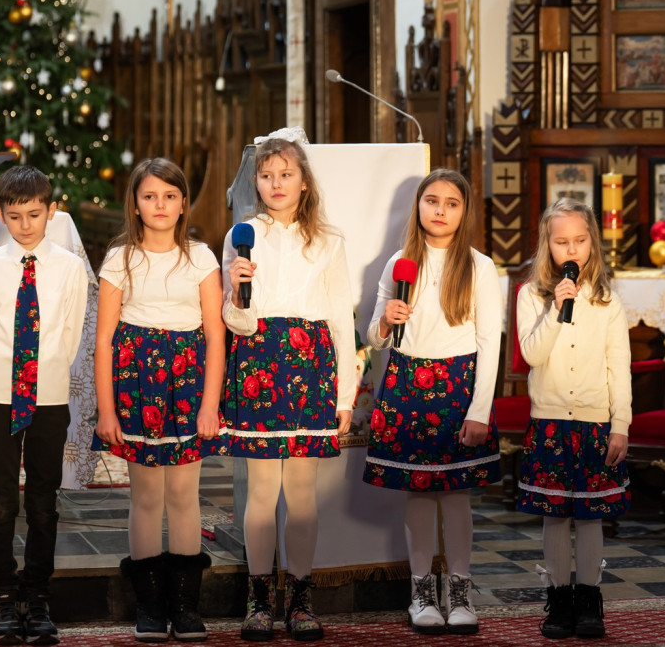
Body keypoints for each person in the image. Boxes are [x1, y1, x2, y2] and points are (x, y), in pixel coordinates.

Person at [223, 133, 356, 642]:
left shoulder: (328, 241)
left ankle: (300, 598)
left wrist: (345, 394)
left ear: (303, 182)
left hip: (309, 366)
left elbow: (342, 319)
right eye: (266, 175)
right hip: (257, 364)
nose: (275, 183)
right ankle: (259, 599)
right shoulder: (241, 236)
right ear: (255, 182)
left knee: (300, 493)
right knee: (261, 491)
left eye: (285, 174)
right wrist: (236, 291)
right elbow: (234, 322)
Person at [362, 168, 502, 636]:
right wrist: (384, 321)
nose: (440, 210)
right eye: (432, 201)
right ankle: (421, 592)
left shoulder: (480, 266)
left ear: (464, 213)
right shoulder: (399, 262)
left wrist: (480, 410)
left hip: (458, 384)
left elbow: (489, 343)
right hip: (406, 381)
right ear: (418, 206)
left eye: (451, 203)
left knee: (455, 493)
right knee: (419, 492)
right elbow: (374, 339)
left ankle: (459, 590)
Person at [92, 158, 227, 643]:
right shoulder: (120, 259)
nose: (160, 205)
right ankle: (149, 607)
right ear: (135, 204)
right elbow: (105, 337)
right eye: (150, 196)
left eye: (170, 196)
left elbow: (214, 333)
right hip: (136, 382)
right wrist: (106, 410)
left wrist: (210, 404)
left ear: (184, 202)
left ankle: (186, 608)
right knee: (147, 496)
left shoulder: (201, 258)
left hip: (188, 384)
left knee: (183, 496)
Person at [0, 165, 88, 645]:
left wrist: (43, 379)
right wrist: (4, 377)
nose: (24, 224)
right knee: (1, 500)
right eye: (14, 215)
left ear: (51, 210)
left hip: (48, 396)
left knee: (43, 501)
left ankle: (36, 595)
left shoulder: (68, 266)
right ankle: (0, 593)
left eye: (34, 214)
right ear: (1, 213)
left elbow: (71, 332)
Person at [515, 197, 631, 640]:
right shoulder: (532, 295)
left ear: (591, 244)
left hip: (595, 423)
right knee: (554, 515)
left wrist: (620, 424)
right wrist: (555, 309)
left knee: (589, 516)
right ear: (548, 245)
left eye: (579, 241)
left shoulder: (607, 301)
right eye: (561, 241)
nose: (571, 250)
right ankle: (559, 599)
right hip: (549, 422)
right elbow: (532, 354)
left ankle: (589, 601)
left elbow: (618, 367)